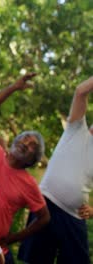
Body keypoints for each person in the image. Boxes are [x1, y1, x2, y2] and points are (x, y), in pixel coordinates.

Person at [0, 73, 50, 264]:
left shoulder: (29, 183)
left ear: (33, 159)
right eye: (25, 138)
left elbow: (44, 217)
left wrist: (15, 238)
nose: (25, 143)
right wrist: (14, 87)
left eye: (32, 146)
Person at [18, 76, 93, 264]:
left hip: (73, 216)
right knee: (37, 260)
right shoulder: (77, 129)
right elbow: (81, 91)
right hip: (46, 204)